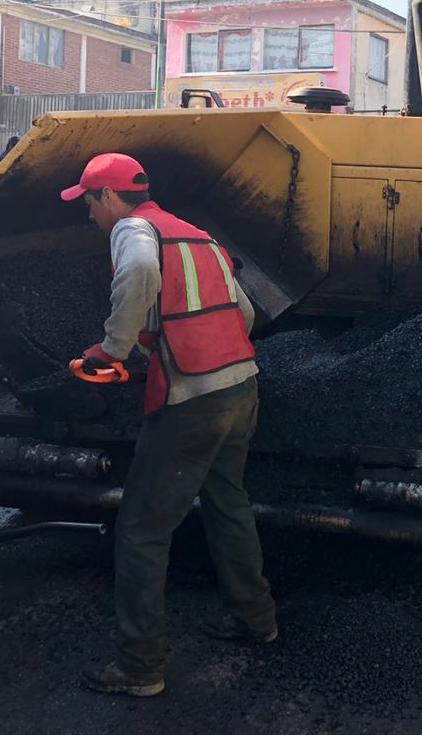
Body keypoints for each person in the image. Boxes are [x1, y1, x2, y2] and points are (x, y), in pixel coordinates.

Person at [62, 153, 278, 698]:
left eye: (88, 202)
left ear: (109, 197)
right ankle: (257, 620)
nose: (87, 213)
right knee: (228, 502)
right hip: (241, 384)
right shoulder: (197, 236)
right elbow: (245, 313)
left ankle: (140, 668)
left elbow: (138, 273)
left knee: (141, 531)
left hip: (193, 397)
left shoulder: (132, 230)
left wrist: (114, 348)